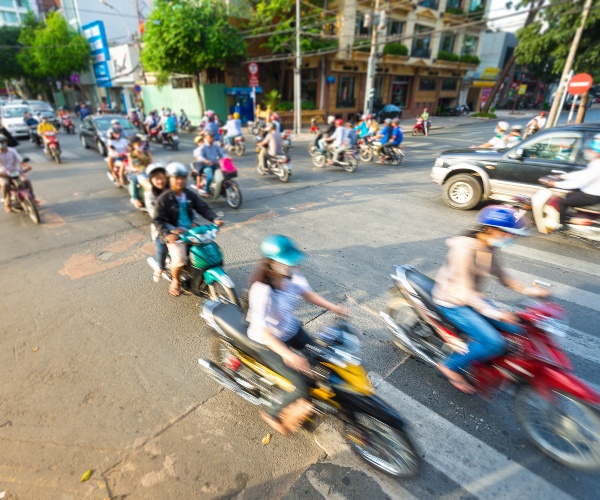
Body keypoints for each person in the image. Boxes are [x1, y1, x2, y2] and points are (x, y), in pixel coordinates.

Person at [432, 206, 549, 393]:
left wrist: (531, 291)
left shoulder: (489, 247)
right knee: (494, 342)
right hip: (452, 301)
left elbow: (503, 276)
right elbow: (465, 292)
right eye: (510, 234)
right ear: (491, 229)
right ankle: (449, 366)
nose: (513, 238)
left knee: (520, 327)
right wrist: (496, 313)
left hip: (472, 299)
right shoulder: (463, 250)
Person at [247, 235, 347, 435]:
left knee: (321, 359)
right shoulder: (261, 291)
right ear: (272, 263)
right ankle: (272, 413)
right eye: (288, 263)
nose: (293, 266)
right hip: (268, 341)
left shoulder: (293, 276)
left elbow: (307, 293)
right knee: (300, 386)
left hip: (291, 329)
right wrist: (290, 356)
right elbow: (264, 333)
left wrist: (332, 306)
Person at [153, 162, 223, 297]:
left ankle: (199, 273)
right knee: (179, 260)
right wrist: (168, 234)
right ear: (169, 179)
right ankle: (175, 280)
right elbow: (158, 220)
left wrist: (215, 219)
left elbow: (203, 207)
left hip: (190, 230)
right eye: (176, 177)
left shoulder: (189, 194)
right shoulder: (164, 198)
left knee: (208, 247)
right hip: (173, 233)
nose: (180, 181)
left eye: (182, 177)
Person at [542, 135, 600, 233]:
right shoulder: (596, 163)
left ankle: (563, 226)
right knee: (569, 194)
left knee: (562, 202)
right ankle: (573, 216)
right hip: (588, 192)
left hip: (591, 195)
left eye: (591, 150)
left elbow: (579, 182)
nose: (588, 152)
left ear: (597, 152)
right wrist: (562, 176)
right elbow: (581, 174)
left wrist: (555, 183)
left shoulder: (597, 166)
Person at [144, 163, 169, 282]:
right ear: (151, 180)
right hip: (161, 228)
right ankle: (160, 267)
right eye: (156, 178)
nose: (160, 181)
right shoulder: (149, 195)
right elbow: (155, 215)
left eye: (162, 177)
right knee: (162, 247)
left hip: (180, 226)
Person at [0, 134, 38, 213]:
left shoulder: (12, 150)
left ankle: (33, 198)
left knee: (26, 181)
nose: (2, 143)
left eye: (3, 141)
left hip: (15, 171)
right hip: (3, 174)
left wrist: (26, 166)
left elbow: (20, 160)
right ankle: (7, 203)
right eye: (0, 142)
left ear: (6, 141)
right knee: (5, 185)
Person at [195, 131, 227, 197]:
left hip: (215, 164)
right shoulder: (203, 147)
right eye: (210, 137)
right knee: (210, 177)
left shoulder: (215, 146)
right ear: (206, 138)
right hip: (207, 166)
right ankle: (207, 191)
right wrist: (205, 160)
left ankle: (222, 188)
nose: (212, 139)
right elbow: (199, 156)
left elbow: (221, 154)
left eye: (212, 137)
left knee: (225, 174)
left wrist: (226, 157)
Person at [125, 137, 154, 207]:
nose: (140, 145)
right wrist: (136, 170)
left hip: (148, 171)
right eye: (138, 144)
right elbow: (131, 166)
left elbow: (152, 162)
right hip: (137, 172)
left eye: (141, 143)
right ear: (133, 145)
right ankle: (135, 198)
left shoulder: (147, 152)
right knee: (136, 179)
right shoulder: (131, 155)